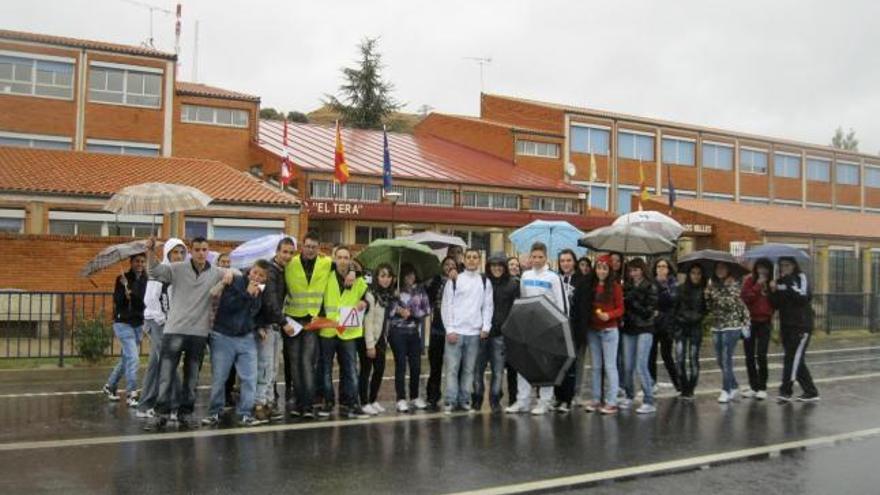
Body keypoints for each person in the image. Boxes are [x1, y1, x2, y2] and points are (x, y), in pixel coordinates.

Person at [144, 236, 231, 431]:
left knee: (192, 378)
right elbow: (154, 271)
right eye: (197, 249)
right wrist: (149, 252)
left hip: (198, 333)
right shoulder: (177, 269)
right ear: (190, 252)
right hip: (174, 330)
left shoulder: (215, 272)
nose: (201, 253)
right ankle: (161, 414)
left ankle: (185, 413)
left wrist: (230, 275)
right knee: (166, 375)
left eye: (204, 249)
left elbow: (235, 272)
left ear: (208, 251)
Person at [201, 260, 267, 427]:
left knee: (249, 378)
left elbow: (254, 313)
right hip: (223, 335)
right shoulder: (235, 280)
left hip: (246, 337)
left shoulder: (260, 291)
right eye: (255, 273)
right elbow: (228, 306)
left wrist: (258, 327)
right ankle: (214, 412)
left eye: (261, 276)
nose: (257, 277)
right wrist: (247, 293)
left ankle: (245, 413)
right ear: (250, 271)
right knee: (220, 378)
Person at [505, 242, 565, 416]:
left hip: (548, 327)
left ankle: (545, 401)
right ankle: (522, 401)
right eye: (534, 256)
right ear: (530, 257)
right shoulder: (525, 275)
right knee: (523, 365)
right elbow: (524, 299)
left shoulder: (554, 277)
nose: (537, 260)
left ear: (546, 257)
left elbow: (561, 303)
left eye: (540, 257)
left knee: (545, 367)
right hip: (528, 327)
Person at [282, 232, 332, 418]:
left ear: (318, 248)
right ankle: (298, 402)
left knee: (307, 362)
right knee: (294, 363)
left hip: (312, 320)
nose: (310, 250)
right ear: (302, 246)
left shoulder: (326, 263)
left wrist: (352, 272)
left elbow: (350, 265)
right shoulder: (289, 263)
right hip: (292, 318)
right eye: (307, 246)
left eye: (314, 247)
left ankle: (309, 405)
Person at [317, 245, 369, 419]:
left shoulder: (358, 279)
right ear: (334, 258)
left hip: (348, 332)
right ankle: (328, 401)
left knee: (351, 369)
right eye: (339, 257)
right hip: (328, 330)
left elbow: (366, 297)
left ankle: (353, 403)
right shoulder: (326, 275)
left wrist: (364, 304)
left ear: (350, 260)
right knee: (326, 369)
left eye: (346, 257)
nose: (343, 260)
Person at [136, 238, 186, 418]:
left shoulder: (180, 273)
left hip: (170, 323)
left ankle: (145, 404)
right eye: (175, 252)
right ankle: (176, 404)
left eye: (182, 252)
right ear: (167, 253)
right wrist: (163, 319)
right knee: (169, 361)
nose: (179, 256)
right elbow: (150, 300)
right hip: (156, 322)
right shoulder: (160, 272)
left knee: (155, 364)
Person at [442, 248, 493, 414]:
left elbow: (488, 306)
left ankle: (464, 400)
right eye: (469, 257)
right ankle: (450, 401)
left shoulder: (485, 281)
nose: (472, 260)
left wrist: (486, 327)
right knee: (452, 369)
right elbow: (447, 305)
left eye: (475, 257)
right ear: (463, 260)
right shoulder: (455, 280)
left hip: (474, 333)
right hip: (455, 332)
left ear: (479, 261)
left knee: (469, 370)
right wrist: (449, 329)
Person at [253, 237, 296, 423]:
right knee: (264, 367)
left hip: (274, 326)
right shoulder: (270, 271)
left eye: (290, 253)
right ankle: (259, 405)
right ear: (277, 252)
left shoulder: (281, 271)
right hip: (267, 325)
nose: (287, 255)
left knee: (272, 368)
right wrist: (284, 321)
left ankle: (269, 403)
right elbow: (269, 301)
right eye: (284, 251)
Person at [770, 256, 819, 403]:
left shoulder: (800, 278)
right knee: (796, 360)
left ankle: (785, 391)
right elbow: (776, 305)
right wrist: (773, 290)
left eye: (787, 265)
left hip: (801, 326)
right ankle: (811, 391)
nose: (784, 268)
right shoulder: (779, 282)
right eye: (782, 266)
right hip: (787, 326)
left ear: (793, 266)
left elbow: (803, 297)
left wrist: (788, 281)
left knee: (791, 359)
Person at [473, 253, 518, 413]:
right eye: (493, 265)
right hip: (481, 333)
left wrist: (508, 327)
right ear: (489, 267)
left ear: (504, 267)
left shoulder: (512, 284)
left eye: (500, 265)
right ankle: (477, 398)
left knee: (498, 371)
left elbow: (516, 309)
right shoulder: (482, 281)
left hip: (500, 334)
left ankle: (495, 400)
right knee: (477, 369)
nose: (497, 268)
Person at [102, 253, 148, 406]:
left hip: (138, 323)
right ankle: (132, 393)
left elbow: (143, 302)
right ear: (131, 262)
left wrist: (132, 294)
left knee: (127, 358)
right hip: (123, 322)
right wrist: (123, 290)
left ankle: (110, 386)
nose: (140, 264)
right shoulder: (122, 278)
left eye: (142, 261)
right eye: (137, 261)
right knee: (134, 358)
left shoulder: (147, 280)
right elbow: (117, 301)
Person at [582, 255, 623, 415]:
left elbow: (621, 309)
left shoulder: (615, 287)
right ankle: (596, 399)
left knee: (610, 366)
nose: (601, 271)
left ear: (609, 270)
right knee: (596, 367)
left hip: (609, 331)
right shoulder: (591, 285)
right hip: (593, 330)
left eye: (604, 268)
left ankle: (611, 401)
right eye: (599, 267)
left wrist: (610, 315)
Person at [705, 262, 750, 404]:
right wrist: (707, 295)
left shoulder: (735, 284)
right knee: (719, 360)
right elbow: (710, 307)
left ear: (728, 270)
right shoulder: (712, 285)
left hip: (732, 326)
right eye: (718, 268)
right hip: (717, 326)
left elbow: (730, 303)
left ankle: (726, 389)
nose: (720, 270)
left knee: (726, 358)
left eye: (723, 268)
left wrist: (719, 292)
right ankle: (734, 385)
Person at [389, 264, 431, 412]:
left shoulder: (420, 290)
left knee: (416, 366)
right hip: (397, 332)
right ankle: (400, 399)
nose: (410, 278)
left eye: (412, 275)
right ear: (402, 276)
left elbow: (426, 309)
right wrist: (398, 309)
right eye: (407, 275)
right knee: (400, 365)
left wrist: (412, 313)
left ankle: (414, 396)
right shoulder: (395, 290)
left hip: (414, 332)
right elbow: (387, 310)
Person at [621, 258, 658, 414]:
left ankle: (649, 400)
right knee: (627, 366)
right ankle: (629, 395)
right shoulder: (627, 286)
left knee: (640, 365)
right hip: (629, 328)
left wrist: (633, 301)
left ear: (642, 270)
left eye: (636, 270)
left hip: (645, 328)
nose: (633, 273)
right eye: (631, 270)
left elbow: (649, 311)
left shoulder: (650, 286)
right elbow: (623, 306)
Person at [360, 264, 395, 415]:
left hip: (381, 338)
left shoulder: (389, 295)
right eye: (382, 276)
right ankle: (364, 402)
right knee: (366, 371)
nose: (386, 279)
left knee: (379, 370)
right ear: (376, 277)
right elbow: (367, 322)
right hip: (369, 339)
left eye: (388, 276)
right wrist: (369, 345)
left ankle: (373, 400)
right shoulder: (371, 295)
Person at [425, 256, 458, 410]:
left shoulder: (461, 281)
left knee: (454, 366)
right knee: (435, 365)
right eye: (447, 264)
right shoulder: (436, 280)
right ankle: (432, 396)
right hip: (438, 328)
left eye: (452, 264)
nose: (449, 266)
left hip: (455, 329)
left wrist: (456, 281)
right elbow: (428, 298)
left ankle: (454, 395)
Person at [553, 249, 583, 413]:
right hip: (557, 327)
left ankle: (568, 399)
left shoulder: (581, 281)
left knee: (570, 365)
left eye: (568, 260)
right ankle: (558, 397)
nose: (565, 263)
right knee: (558, 365)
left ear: (574, 262)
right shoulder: (555, 279)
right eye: (562, 260)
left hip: (573, 327)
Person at [740, 258, 774, 400]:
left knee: (761, 354)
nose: (762, 271)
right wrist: (757, 286)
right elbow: (745, 298)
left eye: (765, 268)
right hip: (750, 322)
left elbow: (776, 303)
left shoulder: (772, 283)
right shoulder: (750, 281)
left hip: (765, 322)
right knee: (749, 356)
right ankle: (753, 386)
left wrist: (774, 290)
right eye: (760, 268)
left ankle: (762, 387)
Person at [674, 265, 707, 400]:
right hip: (681, 328)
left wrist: (707, 297)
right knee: (680, 359)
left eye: (699, 273)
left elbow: (706, 311)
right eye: (693, 273)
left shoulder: (704, 291)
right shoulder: (680, 289)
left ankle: (691, 389)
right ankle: (684, 388)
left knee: (693, 359)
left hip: (695, 328)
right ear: (689, 274)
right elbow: (674, 309)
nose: (696, 276)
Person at [650, 258, 680, 393]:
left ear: (669, 269)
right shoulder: (651, 283)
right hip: (653, 323)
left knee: (666, 355)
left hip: (667, 323)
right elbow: (649, 301)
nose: (661, 269)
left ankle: (678, 384)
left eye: (664, 266)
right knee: (651, 354)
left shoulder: (673, 283)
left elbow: (673, 301)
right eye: (658, 266)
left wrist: (662, 290)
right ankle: (651, 383)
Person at [505, 255, 522, 405]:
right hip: (503, 330)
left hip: (518, 330)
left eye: (516, 265)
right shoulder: (501, 283)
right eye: (511, 265)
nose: (514, 267)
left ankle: (514, 398)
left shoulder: (522, 283)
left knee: (514, 367)